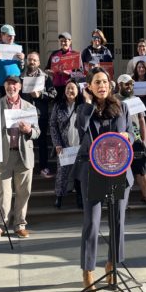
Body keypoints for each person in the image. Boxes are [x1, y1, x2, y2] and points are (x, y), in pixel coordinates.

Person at [75, 67, 133, 292]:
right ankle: (88, 270)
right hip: (93, 173)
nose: (102, 85)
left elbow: (131, 133)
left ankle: (112, 264)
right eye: (97, 82)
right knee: (92, 223)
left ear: (110, 85)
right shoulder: (84, 109)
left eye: (105, 81)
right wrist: (88, 103)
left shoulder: (122, 107)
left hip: (117, 172)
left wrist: (128, 136)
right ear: (89, 86)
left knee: (118, 221)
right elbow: (81, 131)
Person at [0, 75, 40, 240]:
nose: (11, 87)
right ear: (4, 87)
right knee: (2, 193)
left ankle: (20, 225)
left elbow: (37, 132)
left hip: (24, 155)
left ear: (19, 87)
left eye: (14, 85)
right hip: (3, 154)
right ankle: (0, 226)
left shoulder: (28, 107)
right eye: (8, 85)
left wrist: (29, 131)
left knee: (23, 192)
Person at [117, 74, 146, 206]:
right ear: (119, 85)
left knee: (142, 169)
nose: (129, 86)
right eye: (126, 84)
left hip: (137, 141)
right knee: (120, 170)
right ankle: (121, 200)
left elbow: (141, 120)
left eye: (131, 84)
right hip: (119, 141)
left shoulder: (136, 99)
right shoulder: (113, 100)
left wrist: (144, 139)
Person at [49, 80, 84, 209]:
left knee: (79, 173)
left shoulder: (83, 105)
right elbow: (53, 125)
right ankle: (59, 197)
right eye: (68, 88)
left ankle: (80, 197)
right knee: (62, 174)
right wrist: (57, 144)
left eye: (73, 88)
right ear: (64, 91)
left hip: (80, 146)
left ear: (78, 90)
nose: (70, 91)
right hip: (64, 146)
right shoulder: (58, 106)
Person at [22, 51, 57, 178]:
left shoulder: (46, 77)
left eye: (34, 60)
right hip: (24, 114)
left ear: (39, 62)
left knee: (42, 143)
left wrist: (40, 95)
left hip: (40, 114)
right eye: (30, 59)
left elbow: (53, 94)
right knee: (25, 142)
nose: (32, 62)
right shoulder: (20, 77)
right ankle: (26, 168)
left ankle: (44, 167)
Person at [0, 24, 25, 95]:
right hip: (1, 85)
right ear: (2, 35)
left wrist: (22, 60)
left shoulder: (17, 48)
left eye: (13, 36)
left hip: (16, 85)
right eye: (9, 36)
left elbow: (22, 69)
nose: (12, 38)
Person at [46, 32, 81, 99]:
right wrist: (49, 72)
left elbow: (80, 73)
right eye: (61, 41)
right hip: (56, 87)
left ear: (70, 42)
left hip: (69, 86)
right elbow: (47, 68)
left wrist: (69, 74)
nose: (63, 43)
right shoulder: (54, 54)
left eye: (65, 41)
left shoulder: (75, 54)